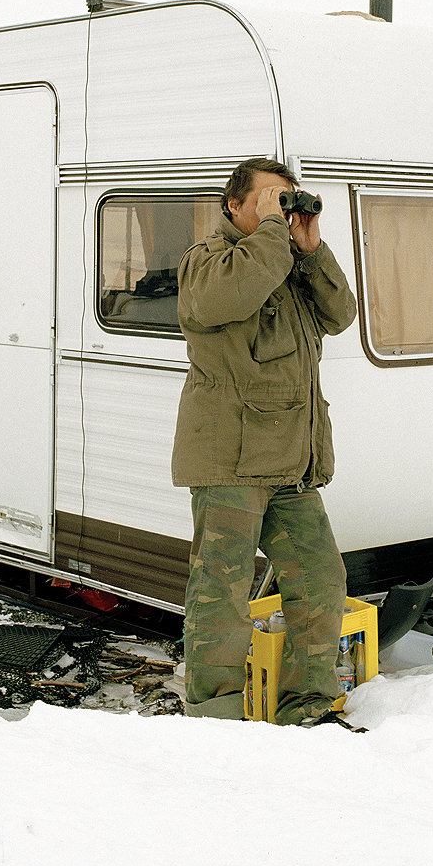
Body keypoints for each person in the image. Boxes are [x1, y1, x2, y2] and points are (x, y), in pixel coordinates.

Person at [172, 157, 358, 724]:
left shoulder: (287, 261)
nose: (284, 206)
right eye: (271, 197)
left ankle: (309, 704)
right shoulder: (207, 263)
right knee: (221, 595)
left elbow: (342, 313)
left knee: (321, 580)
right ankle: (216, 716)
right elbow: (233, 295)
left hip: (289, 463)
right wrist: (278, 235)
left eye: (289, 197)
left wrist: (311, 247)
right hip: (230, 459)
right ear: (234, 206)